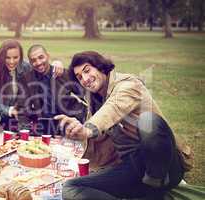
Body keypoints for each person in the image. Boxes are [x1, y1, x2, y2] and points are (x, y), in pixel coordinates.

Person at [54, 51, 194, 200]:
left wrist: (88, 129)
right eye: (80, 77)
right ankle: (145, 193)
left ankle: (155, 186)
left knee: (149, 122)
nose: (85, 79)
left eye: (87, 70)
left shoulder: (129, 84)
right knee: (70, 188)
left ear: (100, 67)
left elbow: (113, 108)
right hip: (132, 167)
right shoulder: (94, 99)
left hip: (165, 166)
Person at [0, 39, 66, 132]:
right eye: (7, 58)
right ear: (1, 57)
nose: (11, 62)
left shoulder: (25, 67)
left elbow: (40, 66)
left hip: (23, 115)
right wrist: (10, 110)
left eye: (15, 57)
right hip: (3, 116)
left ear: (20, 57)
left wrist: (56, 64)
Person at [17, 44, 86, 136]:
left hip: (67, 124)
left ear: (48, 56)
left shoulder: (63, 74)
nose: (38, 62)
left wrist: (78, 118)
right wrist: (24, 133)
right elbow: (23, 109)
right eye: (33, 60)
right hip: (42, 126)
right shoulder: (26, 80)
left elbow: (86, 95)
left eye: (41, 57)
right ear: (30, 63)